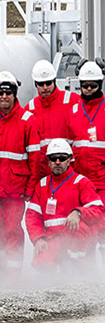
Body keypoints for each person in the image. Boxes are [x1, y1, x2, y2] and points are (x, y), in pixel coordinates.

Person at [0, 71, 41, 277]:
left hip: (14, 189)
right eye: (0, 93)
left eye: (8, 93)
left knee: (12, 232)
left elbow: (35, 159)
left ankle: (13, 275)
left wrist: (30, 188)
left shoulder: (27, 120)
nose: (4, 97)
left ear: (14, 94)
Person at [26, 139, 104, 271]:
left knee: (78, 229)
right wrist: (38, 238)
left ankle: (82, 272)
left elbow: (99, 211)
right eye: (53, 158)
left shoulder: (81, 182)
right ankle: (56, 278)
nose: (57, 162)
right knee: (40, 263)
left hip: (77, 238)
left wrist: (78, 213)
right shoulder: (42, 185)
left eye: (62, 158)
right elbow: (32, 216)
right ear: (48, 161)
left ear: (69, 160)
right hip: (53, 238)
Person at [27, 59, 83, 186]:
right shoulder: (30, 109)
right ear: (35, 84)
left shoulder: (72, 101)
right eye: (41, 84)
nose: (45, 87)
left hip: (68, 173)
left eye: (48, 83)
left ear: (54, 81)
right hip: (42, 176)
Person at [71, 61, 105, 257]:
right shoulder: (74, 110)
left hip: (102, 180)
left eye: (93, 85)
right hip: (81, 181)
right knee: (84, 226)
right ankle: (87, 265)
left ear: (100, 84)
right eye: (85, 85)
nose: (89, 89)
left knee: (102, 225)